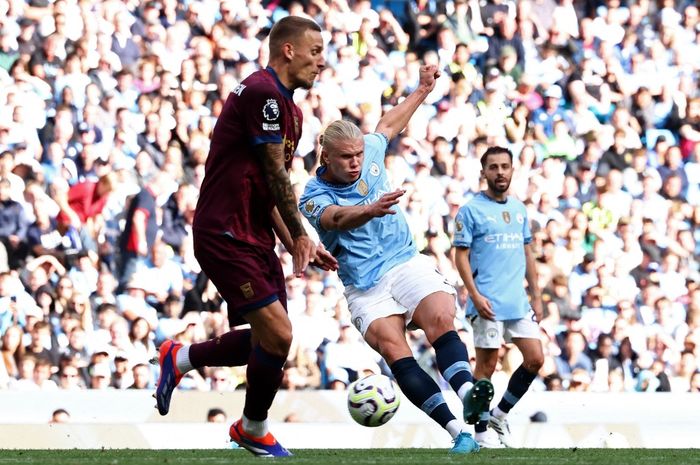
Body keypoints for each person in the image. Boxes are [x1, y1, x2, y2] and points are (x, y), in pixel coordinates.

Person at [154, 16, 336, 458]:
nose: (322, 61)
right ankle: (253, 428)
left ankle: (180, 358)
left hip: (253, 234)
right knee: (276, 336)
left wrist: (294, 241)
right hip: (225, 230)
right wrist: (299, 232)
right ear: (288, 50)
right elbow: (275, 173)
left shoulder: (288, 109)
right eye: (314, 51)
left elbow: (266, 184)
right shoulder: (263, 94)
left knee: (267, 342)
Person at [298, 64, 492, 455]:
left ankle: (472, 395)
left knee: (440, 317)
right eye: (345, 158)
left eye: (357, 155)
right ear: (326, 156)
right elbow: (337, 218)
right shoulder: (312, 195)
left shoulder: (370, 151)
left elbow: (389, 125)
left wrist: (422, 89)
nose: (355, 162)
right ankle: (460, 434)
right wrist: (369, 210)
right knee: (393, 348)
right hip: (364, 286)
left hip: (404, 260)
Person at [452, 146, 545, 448]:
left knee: (535, 359)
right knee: (486, 367)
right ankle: (480, 435)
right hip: (488, 302)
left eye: (505, 166)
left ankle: (499, 414)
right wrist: (474, 296)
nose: (500, 172)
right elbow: (460, 255)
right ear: (484, 173)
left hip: (517, 302)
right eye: (493, 167)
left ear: (512, 170)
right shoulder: (471, 210)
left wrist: (537, 295)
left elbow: (528, 252)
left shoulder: (519, 209)